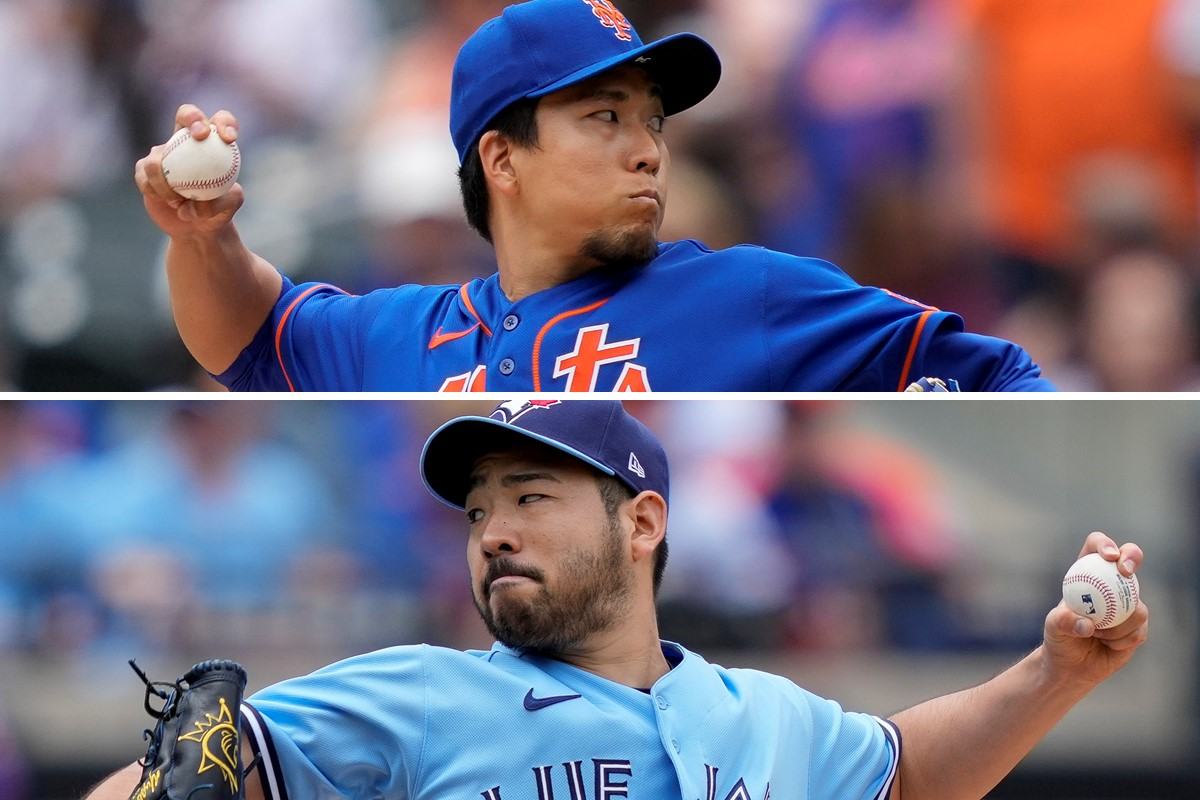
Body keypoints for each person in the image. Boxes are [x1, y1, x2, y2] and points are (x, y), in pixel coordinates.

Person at [87, 399, 1147, 799]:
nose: (492, 526)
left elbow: (907, 770)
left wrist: (1059, 669)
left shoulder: (766, 715)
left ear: (642, 523)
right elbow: (158, 782)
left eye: (530, 495)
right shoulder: (414, 694)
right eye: (475, 511)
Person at [133, 0, 1052, 391]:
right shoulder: (397, 331)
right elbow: (246, 333)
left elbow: (1005, 375)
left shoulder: (755, 293)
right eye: (605, 118)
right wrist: (201, 235)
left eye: (651, 120)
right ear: (502, 159)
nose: (649, 149)